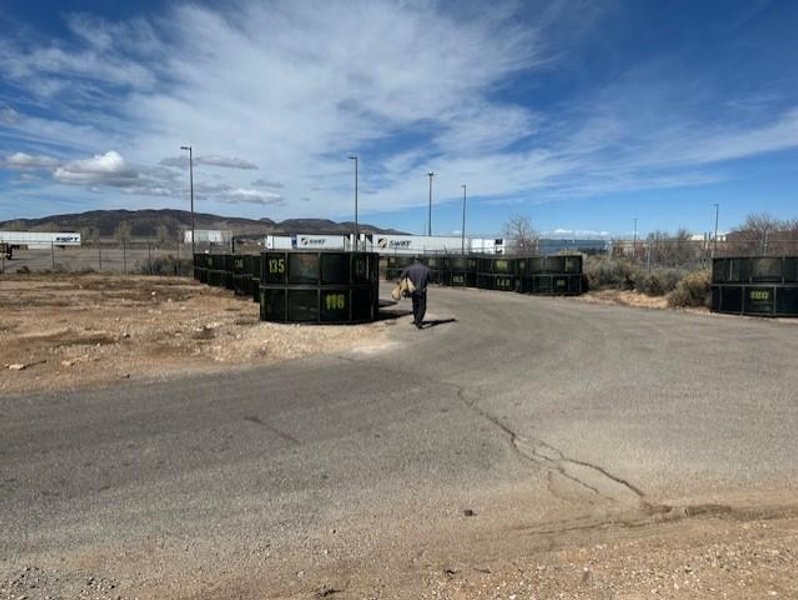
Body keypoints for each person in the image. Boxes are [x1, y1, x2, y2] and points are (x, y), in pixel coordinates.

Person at [400, 259, 432, 329]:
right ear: (422, 261)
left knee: (415, 305)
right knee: (422, 306)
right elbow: (431, 279)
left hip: (412, 290)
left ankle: (416, 319)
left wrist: (406, 284)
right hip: (422, 290)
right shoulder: (426, 269)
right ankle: (418, 320)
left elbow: (402, 276)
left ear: (415, 261)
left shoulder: (409, 268)